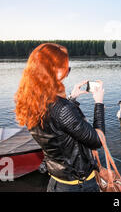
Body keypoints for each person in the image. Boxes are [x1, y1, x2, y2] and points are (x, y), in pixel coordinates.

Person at [14, 43, 105, 192]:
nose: (67, 73)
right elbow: (97, 140)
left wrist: (72, 99)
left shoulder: (31, 101)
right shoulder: (62, 108)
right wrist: (99, 103)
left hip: (56, 182)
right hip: (78, 186)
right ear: (52, 71)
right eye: (66, 69)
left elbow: (57, 131)